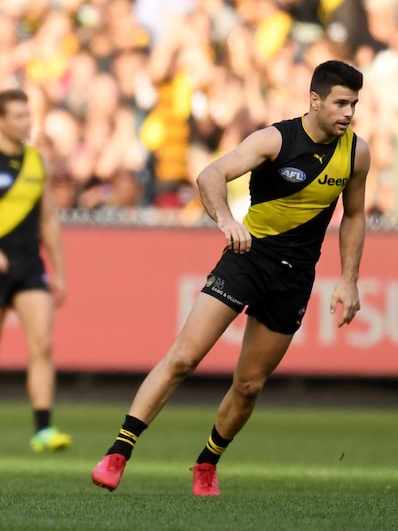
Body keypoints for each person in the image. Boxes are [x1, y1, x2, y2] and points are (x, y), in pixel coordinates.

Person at [91, 60, 369, 495]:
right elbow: (210, 174)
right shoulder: (275, 139)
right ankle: (118, 452)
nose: (349, 112)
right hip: (246, 259)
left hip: (294, 280)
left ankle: (206, 463)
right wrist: (226, 220)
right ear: (314, 100)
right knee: (183, 358)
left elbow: (354, 215)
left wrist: (349, 279)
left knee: (249, 384)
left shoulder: (356, 152)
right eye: (340, 103)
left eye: (354, 103)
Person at [0, 89, 70, 453]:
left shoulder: (39, 162)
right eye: (18, 116)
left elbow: (49, 218)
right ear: (0, 120)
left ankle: (43, 428)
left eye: (28, 114)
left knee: (43, 345)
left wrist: (60, 270)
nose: (26, 122)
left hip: (29, 266)